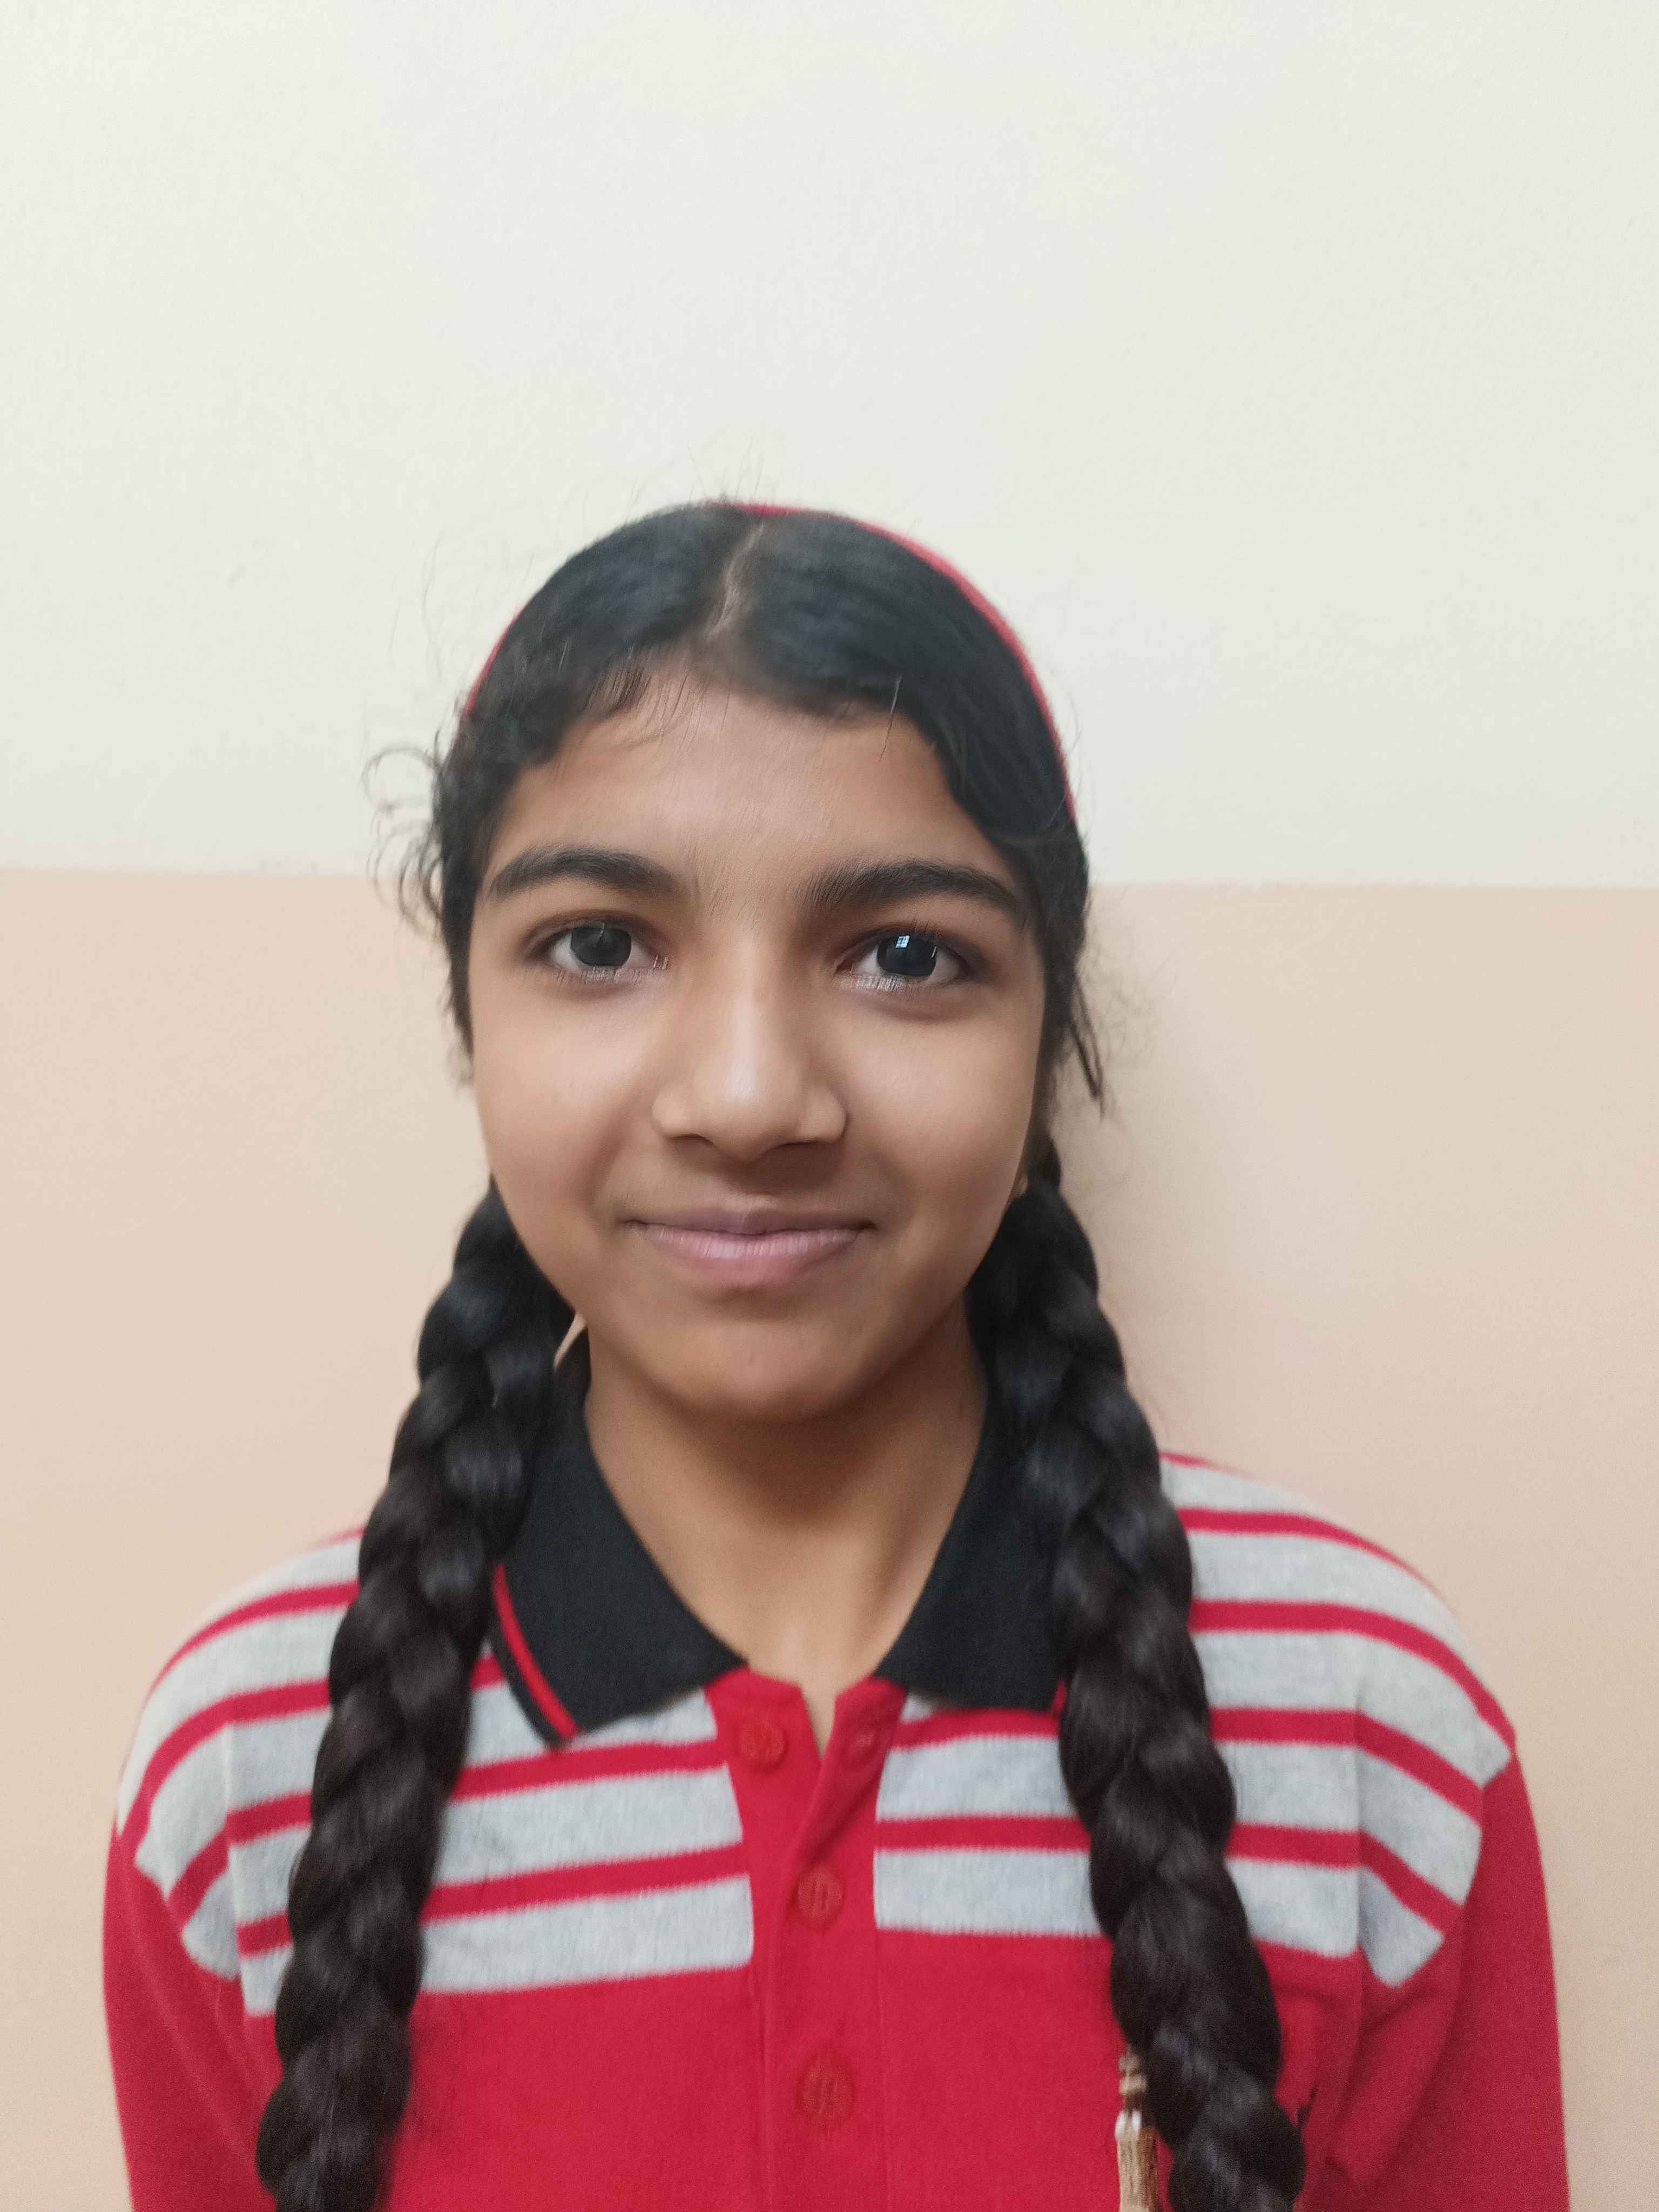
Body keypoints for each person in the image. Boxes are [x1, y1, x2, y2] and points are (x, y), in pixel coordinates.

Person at [103, 504, 1569, 2212]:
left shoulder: (1369, 1726)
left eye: (904, 956)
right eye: (600, 944)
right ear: (470, 1015)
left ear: (1047, 1028)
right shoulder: (245, 1769)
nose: (749, 1097)